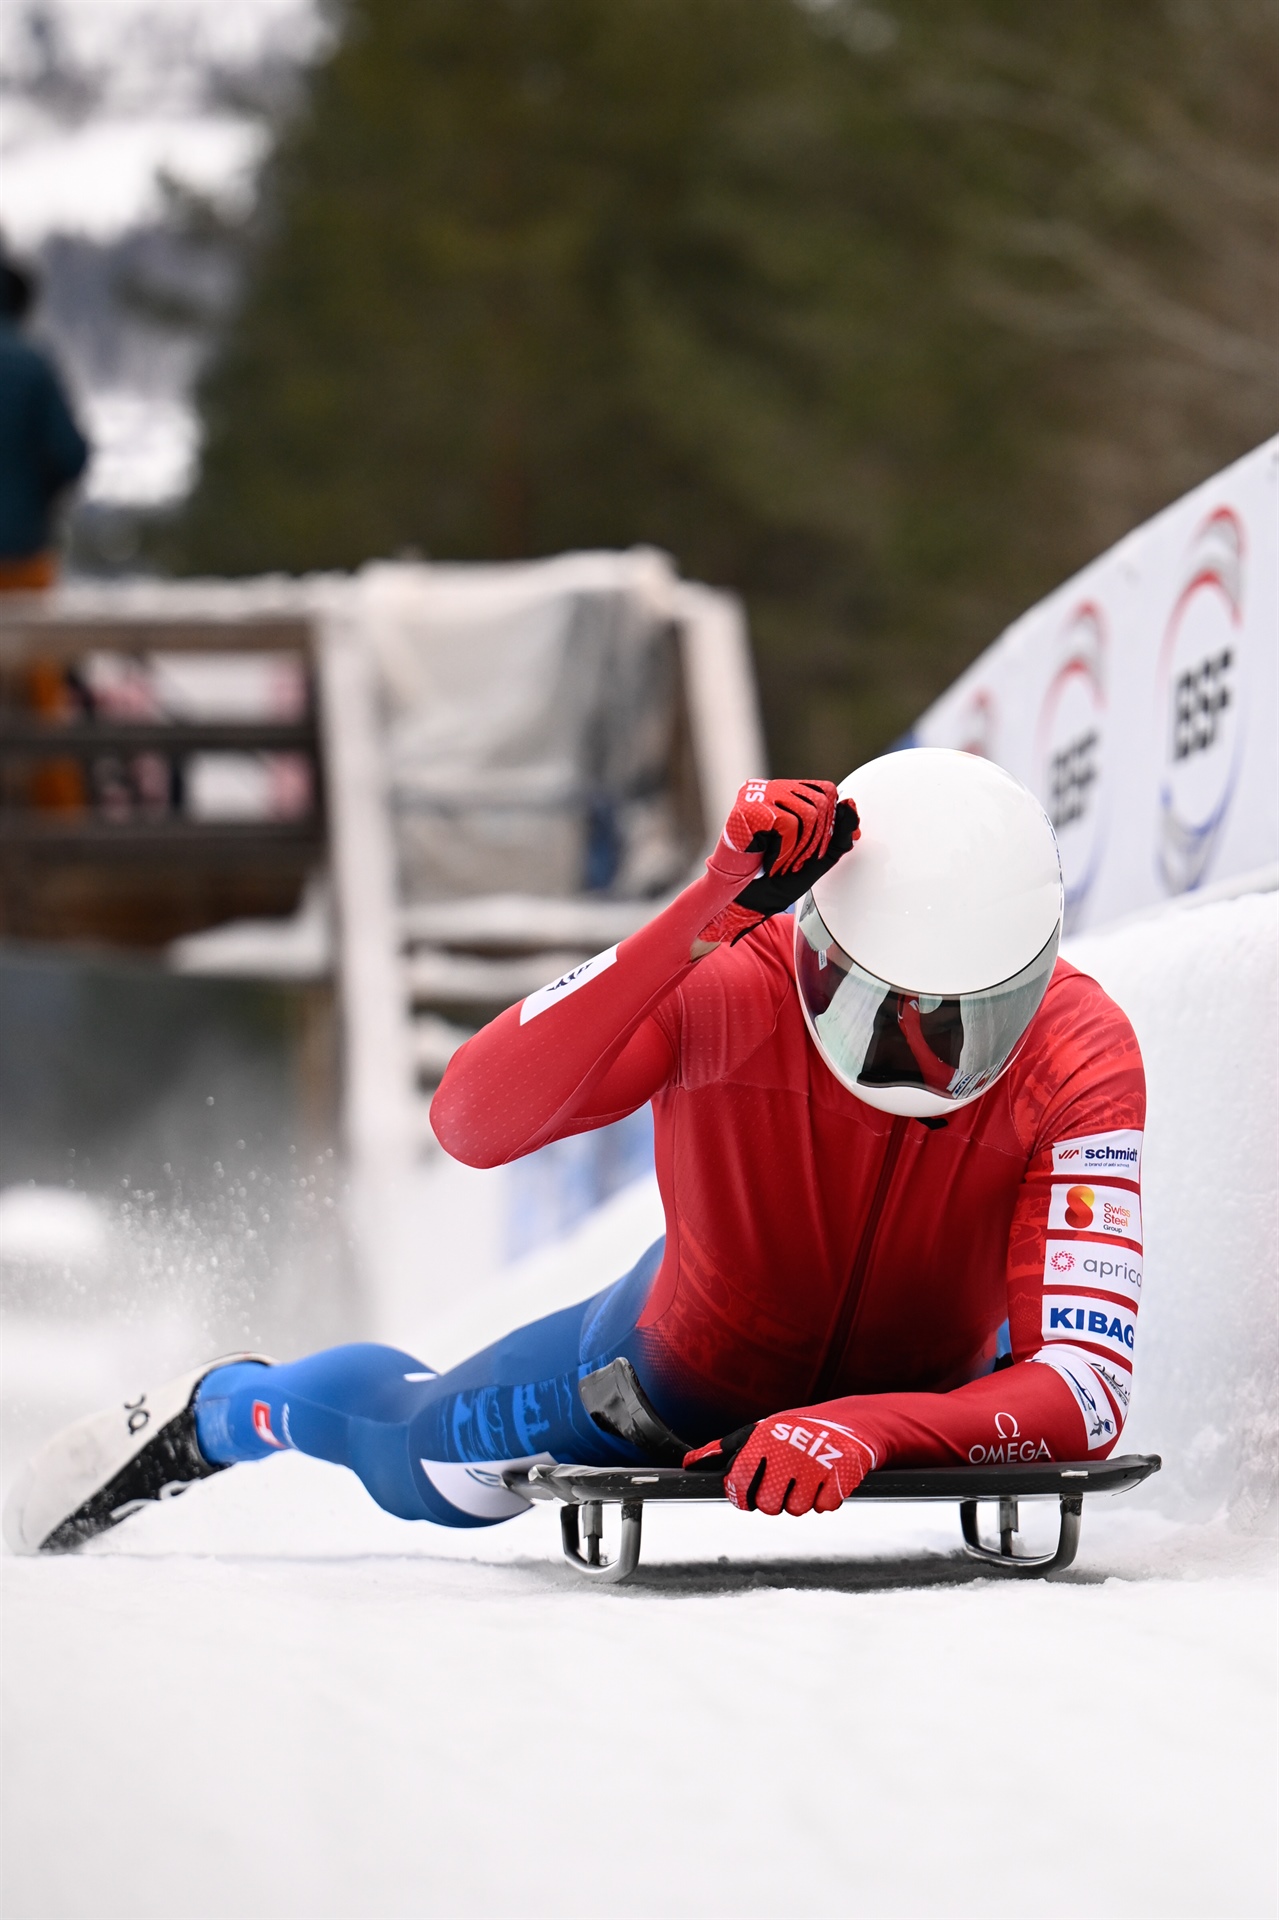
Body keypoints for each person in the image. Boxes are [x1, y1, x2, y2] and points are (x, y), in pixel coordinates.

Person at [4, 750, 1145, 1553]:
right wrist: (701, 909)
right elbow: (473, 1122)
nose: (918, 1066)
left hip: (916, 1392)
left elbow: (1086, 1387)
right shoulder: (732, 979)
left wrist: (867, 1425)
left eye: (967, 1022)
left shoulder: (1083, 1051)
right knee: (419, 1462)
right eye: (871, 1006)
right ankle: (227, 1410)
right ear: (813, 944)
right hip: (672, 1369)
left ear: (1040, 975)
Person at [0, 249, 89, 592]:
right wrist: (37, 501)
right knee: (28, 643)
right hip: (22, 554)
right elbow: (71, 455)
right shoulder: (34, 366)